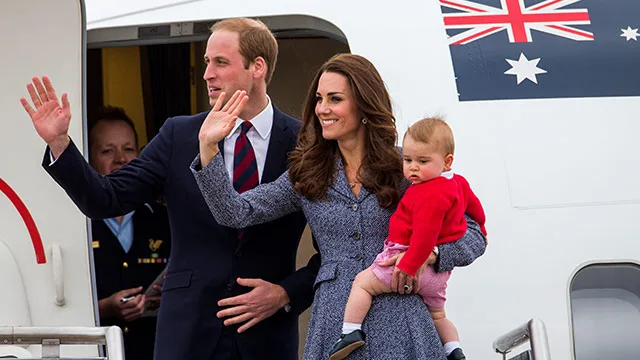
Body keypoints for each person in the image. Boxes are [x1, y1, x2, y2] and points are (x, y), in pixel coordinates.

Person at [20, 17, 320, 360]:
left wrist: (285, 293)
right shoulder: (179, 136)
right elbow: (105, 198)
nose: (208, 73)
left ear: (257, 67)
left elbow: (336, 250)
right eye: (207, 62)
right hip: (187, 334)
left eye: (220, 62)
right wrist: (60, 143)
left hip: (266, 338)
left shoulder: (305, 144)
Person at [192, 53, 487, 359]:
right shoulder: (307, 173)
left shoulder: (407, 165)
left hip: (404, 320)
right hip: (334, 325)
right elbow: (236, 212)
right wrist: (208, 147)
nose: (323, 109)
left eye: (335, 99)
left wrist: (433, 254)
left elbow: (474, 235)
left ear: (363, 106)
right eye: (319, 99)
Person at [329, 117, 487, 360]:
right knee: (438, 315)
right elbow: (475, 210)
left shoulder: (427, 194)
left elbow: (424, 237)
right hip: (439, 275)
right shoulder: (457, 182)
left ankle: (350, 331)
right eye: (408, 160)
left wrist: (408, 266)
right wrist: (483, 229)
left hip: (407, 261)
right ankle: (453, 348)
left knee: (363, 284)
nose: (413, 167)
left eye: (422, 161)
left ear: (447, 161)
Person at [88, 106, 171, 360]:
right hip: (96, 352)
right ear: (90, 159)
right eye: (107, 151)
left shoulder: (166, 220)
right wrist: (105, 308)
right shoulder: (77, 224)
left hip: (156, 350)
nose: (120, 159)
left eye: (128, 149)